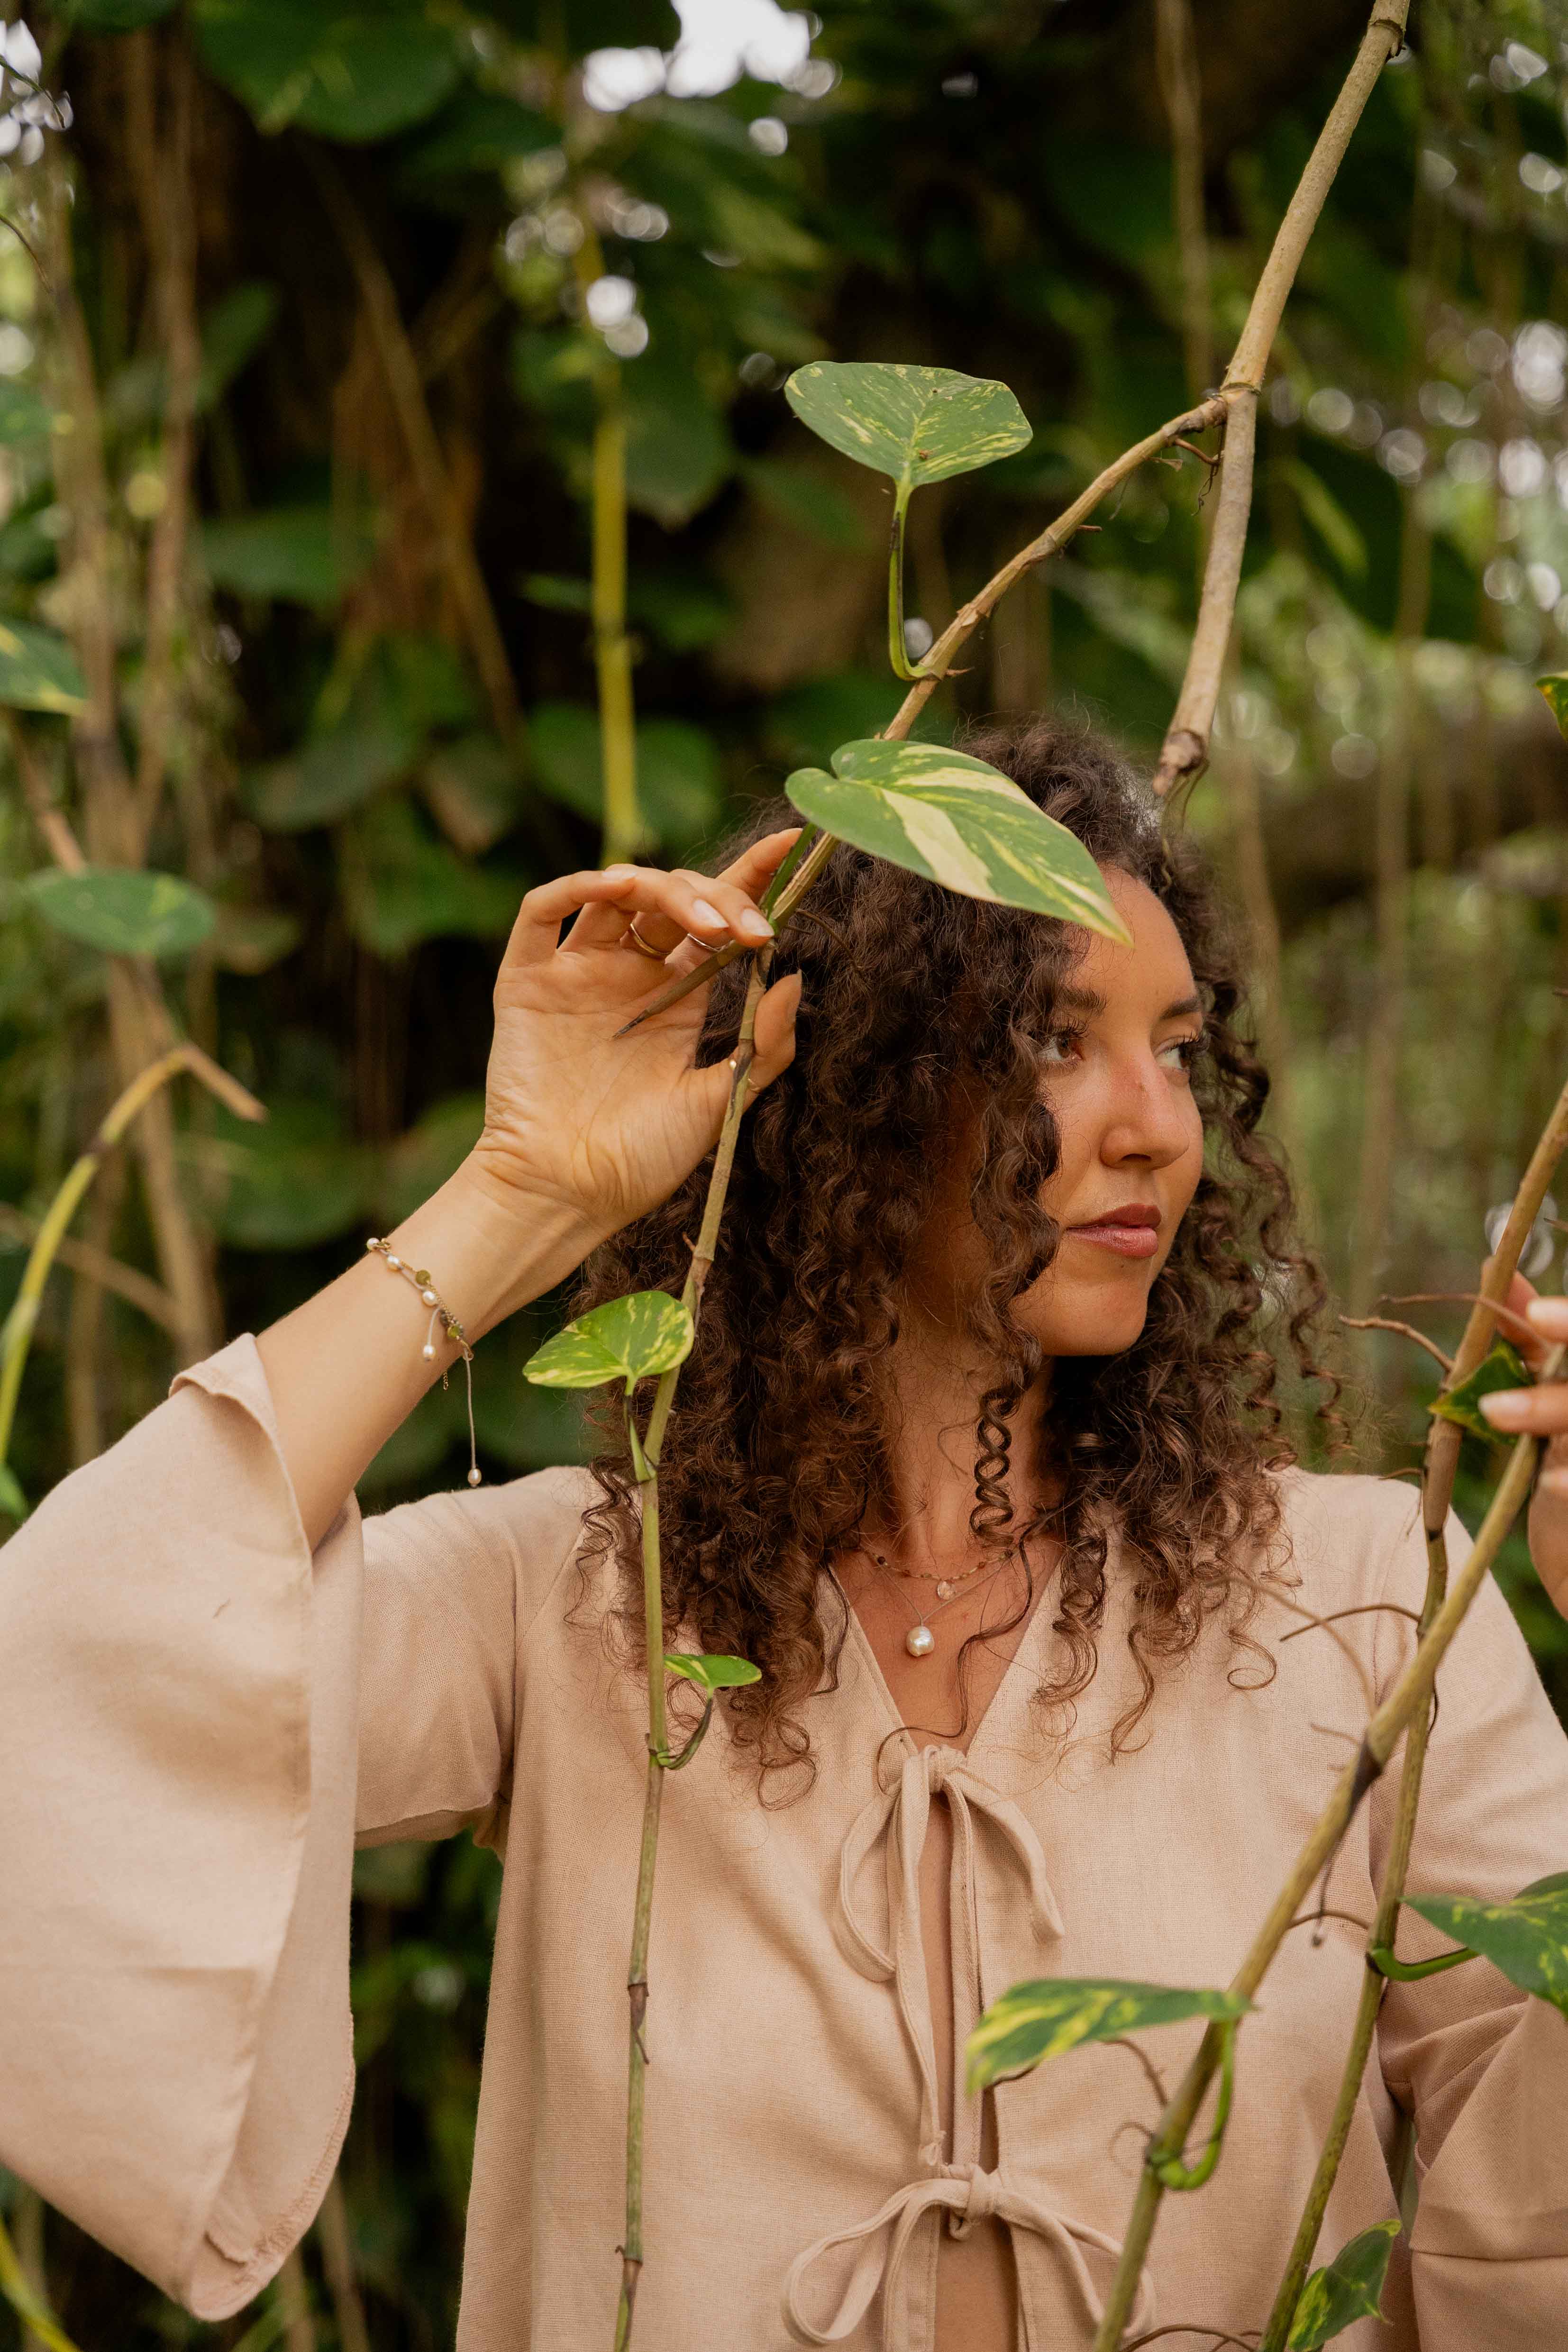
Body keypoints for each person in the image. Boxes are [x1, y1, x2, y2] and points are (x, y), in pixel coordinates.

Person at [2, 717, 1568, 2352]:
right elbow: (64, 1673)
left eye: (1176, 1046)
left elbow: (1532, 2218)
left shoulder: (1366, 1597)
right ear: (854, 1087)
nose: (1155, 1124)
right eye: (1053, 1036)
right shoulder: (580, 1602)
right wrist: (523, 1189)